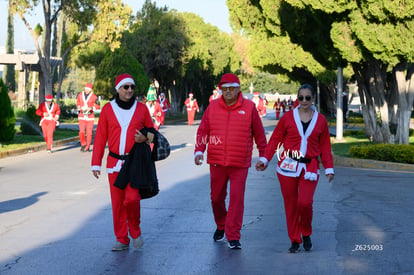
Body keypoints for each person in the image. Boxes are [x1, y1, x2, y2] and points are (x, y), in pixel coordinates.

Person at [255, 84, 334, 253]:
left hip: (310, 167)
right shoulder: (288, 117)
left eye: (307, 97)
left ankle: (306, 232)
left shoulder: (320, 120)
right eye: (301, 97)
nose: (304, 101)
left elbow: (325, 146)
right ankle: (295, 239)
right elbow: (275, 139)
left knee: (305, 203)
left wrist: (329, 168)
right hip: (287, 167)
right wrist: (265, 159)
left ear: (313, 99)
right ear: (297, 99)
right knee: (290, 205)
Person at [194, 73, 267, 249]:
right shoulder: (212, 107)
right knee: (216, 198)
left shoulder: (249, 108)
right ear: (221, 90)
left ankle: (233, 235)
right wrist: (199, 151)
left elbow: (259, 134)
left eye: (231, 88)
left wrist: (263, 156)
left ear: (238, 89)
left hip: (240, 163)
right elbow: (203, 131)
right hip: (217, 162)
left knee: (236, 199)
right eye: (224, 89)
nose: (228, 92)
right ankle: (221, 224)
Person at [91, 73, 154, 251]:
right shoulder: (107, 110)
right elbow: (101, 137)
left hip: (134, 163)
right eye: (125, 87)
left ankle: (135, 229)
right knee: (118, 203)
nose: (129, 90)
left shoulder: (142, 109)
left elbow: (152, 134)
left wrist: (145, 138)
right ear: (118, 89)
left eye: (132, 87)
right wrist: (96, 162)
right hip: (114, 164)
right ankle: (122, 239)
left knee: (132, 199)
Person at [77, 83, 100, 152]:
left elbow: (98, 106)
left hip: (90, 117)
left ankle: (87, 146)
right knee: (81, 131)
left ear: (90, 90)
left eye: (88, 90)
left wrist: (91, 108)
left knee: (89, 133)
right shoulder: (80, 95)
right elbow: (78, 103)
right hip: (82, 116)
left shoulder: (94, 96)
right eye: (86, 89)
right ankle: (83, 144)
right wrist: (79, 107)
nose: (87, 90)